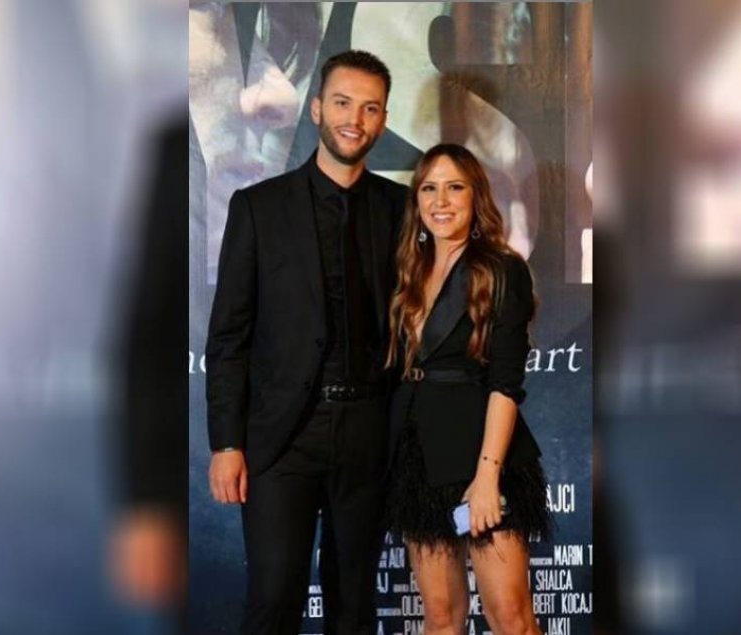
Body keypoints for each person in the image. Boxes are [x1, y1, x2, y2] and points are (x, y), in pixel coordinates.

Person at [205, 50, 407, 635]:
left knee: (355, 608)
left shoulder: (401, 210)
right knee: (273, 599)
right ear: (317, 108)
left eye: (370, 108)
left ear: (383, 119)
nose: (355, 119)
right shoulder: (258, 208)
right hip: (282, 438)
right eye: (343, 102)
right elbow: (229, 337)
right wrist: (226, 442)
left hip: (368, 433)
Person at [385, 144, 549, 634]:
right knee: (440, 616)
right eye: (429, 188)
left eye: (454, 187)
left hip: (482, 455)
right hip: (417, 455)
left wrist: (487, 478)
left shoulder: (500, 269)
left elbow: (505, 385)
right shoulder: (406, 271)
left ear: (476, 197)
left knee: (511, 617)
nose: (441, 201)